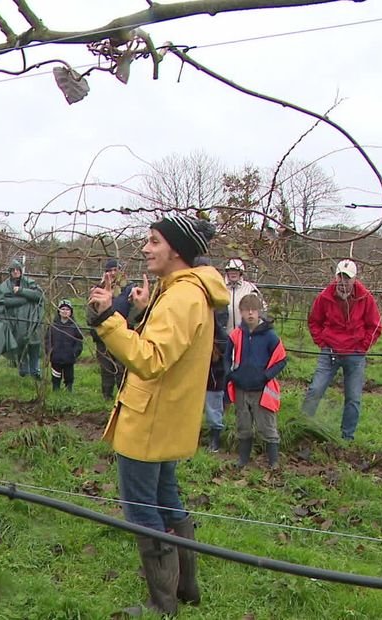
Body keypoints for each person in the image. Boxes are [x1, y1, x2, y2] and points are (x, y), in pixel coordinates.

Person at [88, 214, 228, 615]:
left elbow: (150, 359)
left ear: (177, 250)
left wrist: (107, 319)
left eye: (154, 241)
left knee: (140, 509)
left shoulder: (182, 297)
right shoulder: (183, 292)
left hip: (149, 419)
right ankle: (185, 587)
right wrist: (146, 310)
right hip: (166, 416)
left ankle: (161, 602)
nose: (146, 248)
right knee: (167, 499)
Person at [302, 259, 382, 441]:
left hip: (354, 353)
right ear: (335, 277)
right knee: (315, 390)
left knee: (353, 398)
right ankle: (303, 427)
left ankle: (347, 437)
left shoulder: (365, 298)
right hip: (330, 351)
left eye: (347, 278)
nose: (343, 282)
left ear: (354, 279)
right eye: (340, 277)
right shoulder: (325, 296)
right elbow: (314, 321)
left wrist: (362, 347)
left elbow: (375, 325)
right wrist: (322, 342)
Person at [225, 294, 287, 469]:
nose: (250, 314)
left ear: (260, 311)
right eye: (246, 310)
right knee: (243, 425)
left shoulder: (270, 336)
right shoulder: (236, 335)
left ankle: (273, 463)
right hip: (240, 388)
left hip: (262, 389)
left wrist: (266, 376)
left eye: (253, 310)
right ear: (241, 312)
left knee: (267, 425)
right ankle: (243, 461)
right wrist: (231, 376)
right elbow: (226, 358)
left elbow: (281, 360)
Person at [195, 257, 229, 453]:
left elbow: (221, 332)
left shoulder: (218, 299)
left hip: (213, 362)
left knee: (213, 402)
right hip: (193, 361)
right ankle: (192, 437)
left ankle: (215, 437)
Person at [91, 258, 135, 400]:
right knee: (106, 367)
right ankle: (107, 395)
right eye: (109, 270)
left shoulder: (129, 289)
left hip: (122, 333)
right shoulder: (98, 289)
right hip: (102, 335)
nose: (112, 273)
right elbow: (90, 312)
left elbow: (135, 313)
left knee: (122, 366)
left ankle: (123, 394)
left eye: (115, 270)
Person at [0, 260, 43, 379]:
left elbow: (39, 295)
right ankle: (23, 370)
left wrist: (22, 291)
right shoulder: (5, 286)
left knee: (34, 345)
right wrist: (23, 300)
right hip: (14, 321)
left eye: (17, 269)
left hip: (32, 319)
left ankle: (35, 371)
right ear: (10, 272)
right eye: (13, 270)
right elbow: (2, 301)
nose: (16, 272)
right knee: (19, 345)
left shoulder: (29, 282)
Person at [46, 300, 83, 392]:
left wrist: (75, 353)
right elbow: (47, 339)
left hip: (69, 357)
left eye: (67, 309)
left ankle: (69, 389)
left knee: (69, 375)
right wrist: (49, 351)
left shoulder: (75, 327)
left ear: (71, 312)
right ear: (58, 311)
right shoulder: (53, 325)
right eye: (62, 309)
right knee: (56, 375)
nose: (65, 311)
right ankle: (56, 389)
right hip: (56, 356)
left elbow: (79, 341)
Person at [223, 258, 266, 332]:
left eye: (236, 270)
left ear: (241, 272)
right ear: (227, 272)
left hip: (245, 334)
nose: (233, 273)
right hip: (224, 336)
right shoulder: (220, 287)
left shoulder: (250, 288)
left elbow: (262, 308)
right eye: (231, 270)